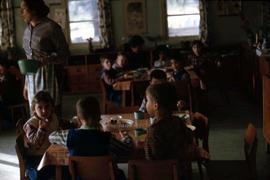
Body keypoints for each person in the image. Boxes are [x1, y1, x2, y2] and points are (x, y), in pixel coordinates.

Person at [49, 96, 133, 179]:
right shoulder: (107, 138)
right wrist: (126, 137)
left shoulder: (69, 135)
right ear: (99, 116)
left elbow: (51, 137)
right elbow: (127, 150)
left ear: (78, 119)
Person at [144, 83, 209, 179]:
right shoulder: (177, 121)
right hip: (182, 171)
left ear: (155, 106)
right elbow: (189, 138)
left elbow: (150, 157)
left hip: (162, 174)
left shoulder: (153, 130)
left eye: (147, 100)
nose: (146, 104)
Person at [20, 0, 70, 115]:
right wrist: (26, 84)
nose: (21, 12)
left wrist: (47, 60)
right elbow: (29, 58)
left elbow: (65, 54)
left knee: (50, 113)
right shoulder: (27, 30)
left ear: (34, 10)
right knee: (35, 113)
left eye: (24, 9)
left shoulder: (51, 27)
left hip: (49, 77)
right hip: (31, 77)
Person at [23, 91, 59, 180]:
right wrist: (41, 129)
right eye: (40, 107)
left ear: (52, 108)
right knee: (40, 175)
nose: (44, 110)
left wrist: (72, 122)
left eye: (47, 107)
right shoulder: (31, 124)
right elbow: (35, 145)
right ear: (34, 109)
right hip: (36, 157)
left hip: (50, 154)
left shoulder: (53, 117)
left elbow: (60, 124)